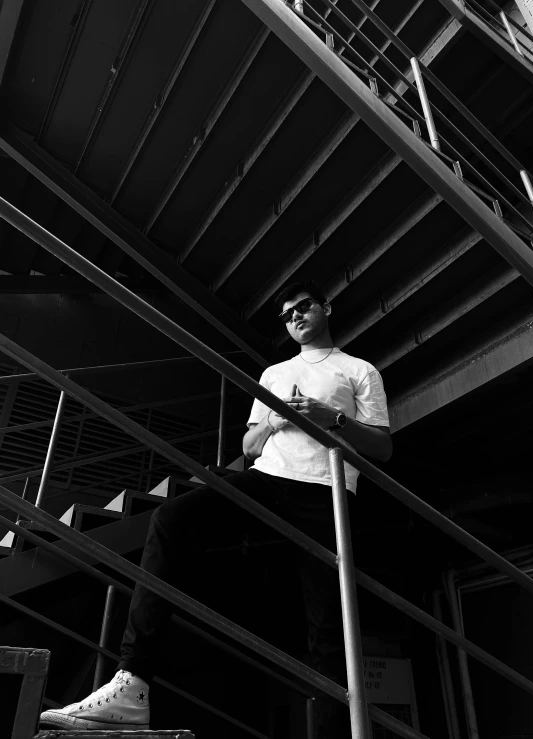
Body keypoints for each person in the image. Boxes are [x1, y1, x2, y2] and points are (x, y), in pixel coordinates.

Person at [40, 281, 391, 736]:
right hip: (267, 477)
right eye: (286, 315)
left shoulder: (359, 370)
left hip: (325, 490)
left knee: (326, 627)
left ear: (326, 307)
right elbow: (247, 446)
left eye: (303, 307)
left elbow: (382, 448)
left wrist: (333, 418)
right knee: (171, 519)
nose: (295, 318)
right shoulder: (274, 374)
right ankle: (132, 684)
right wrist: (273, 420)